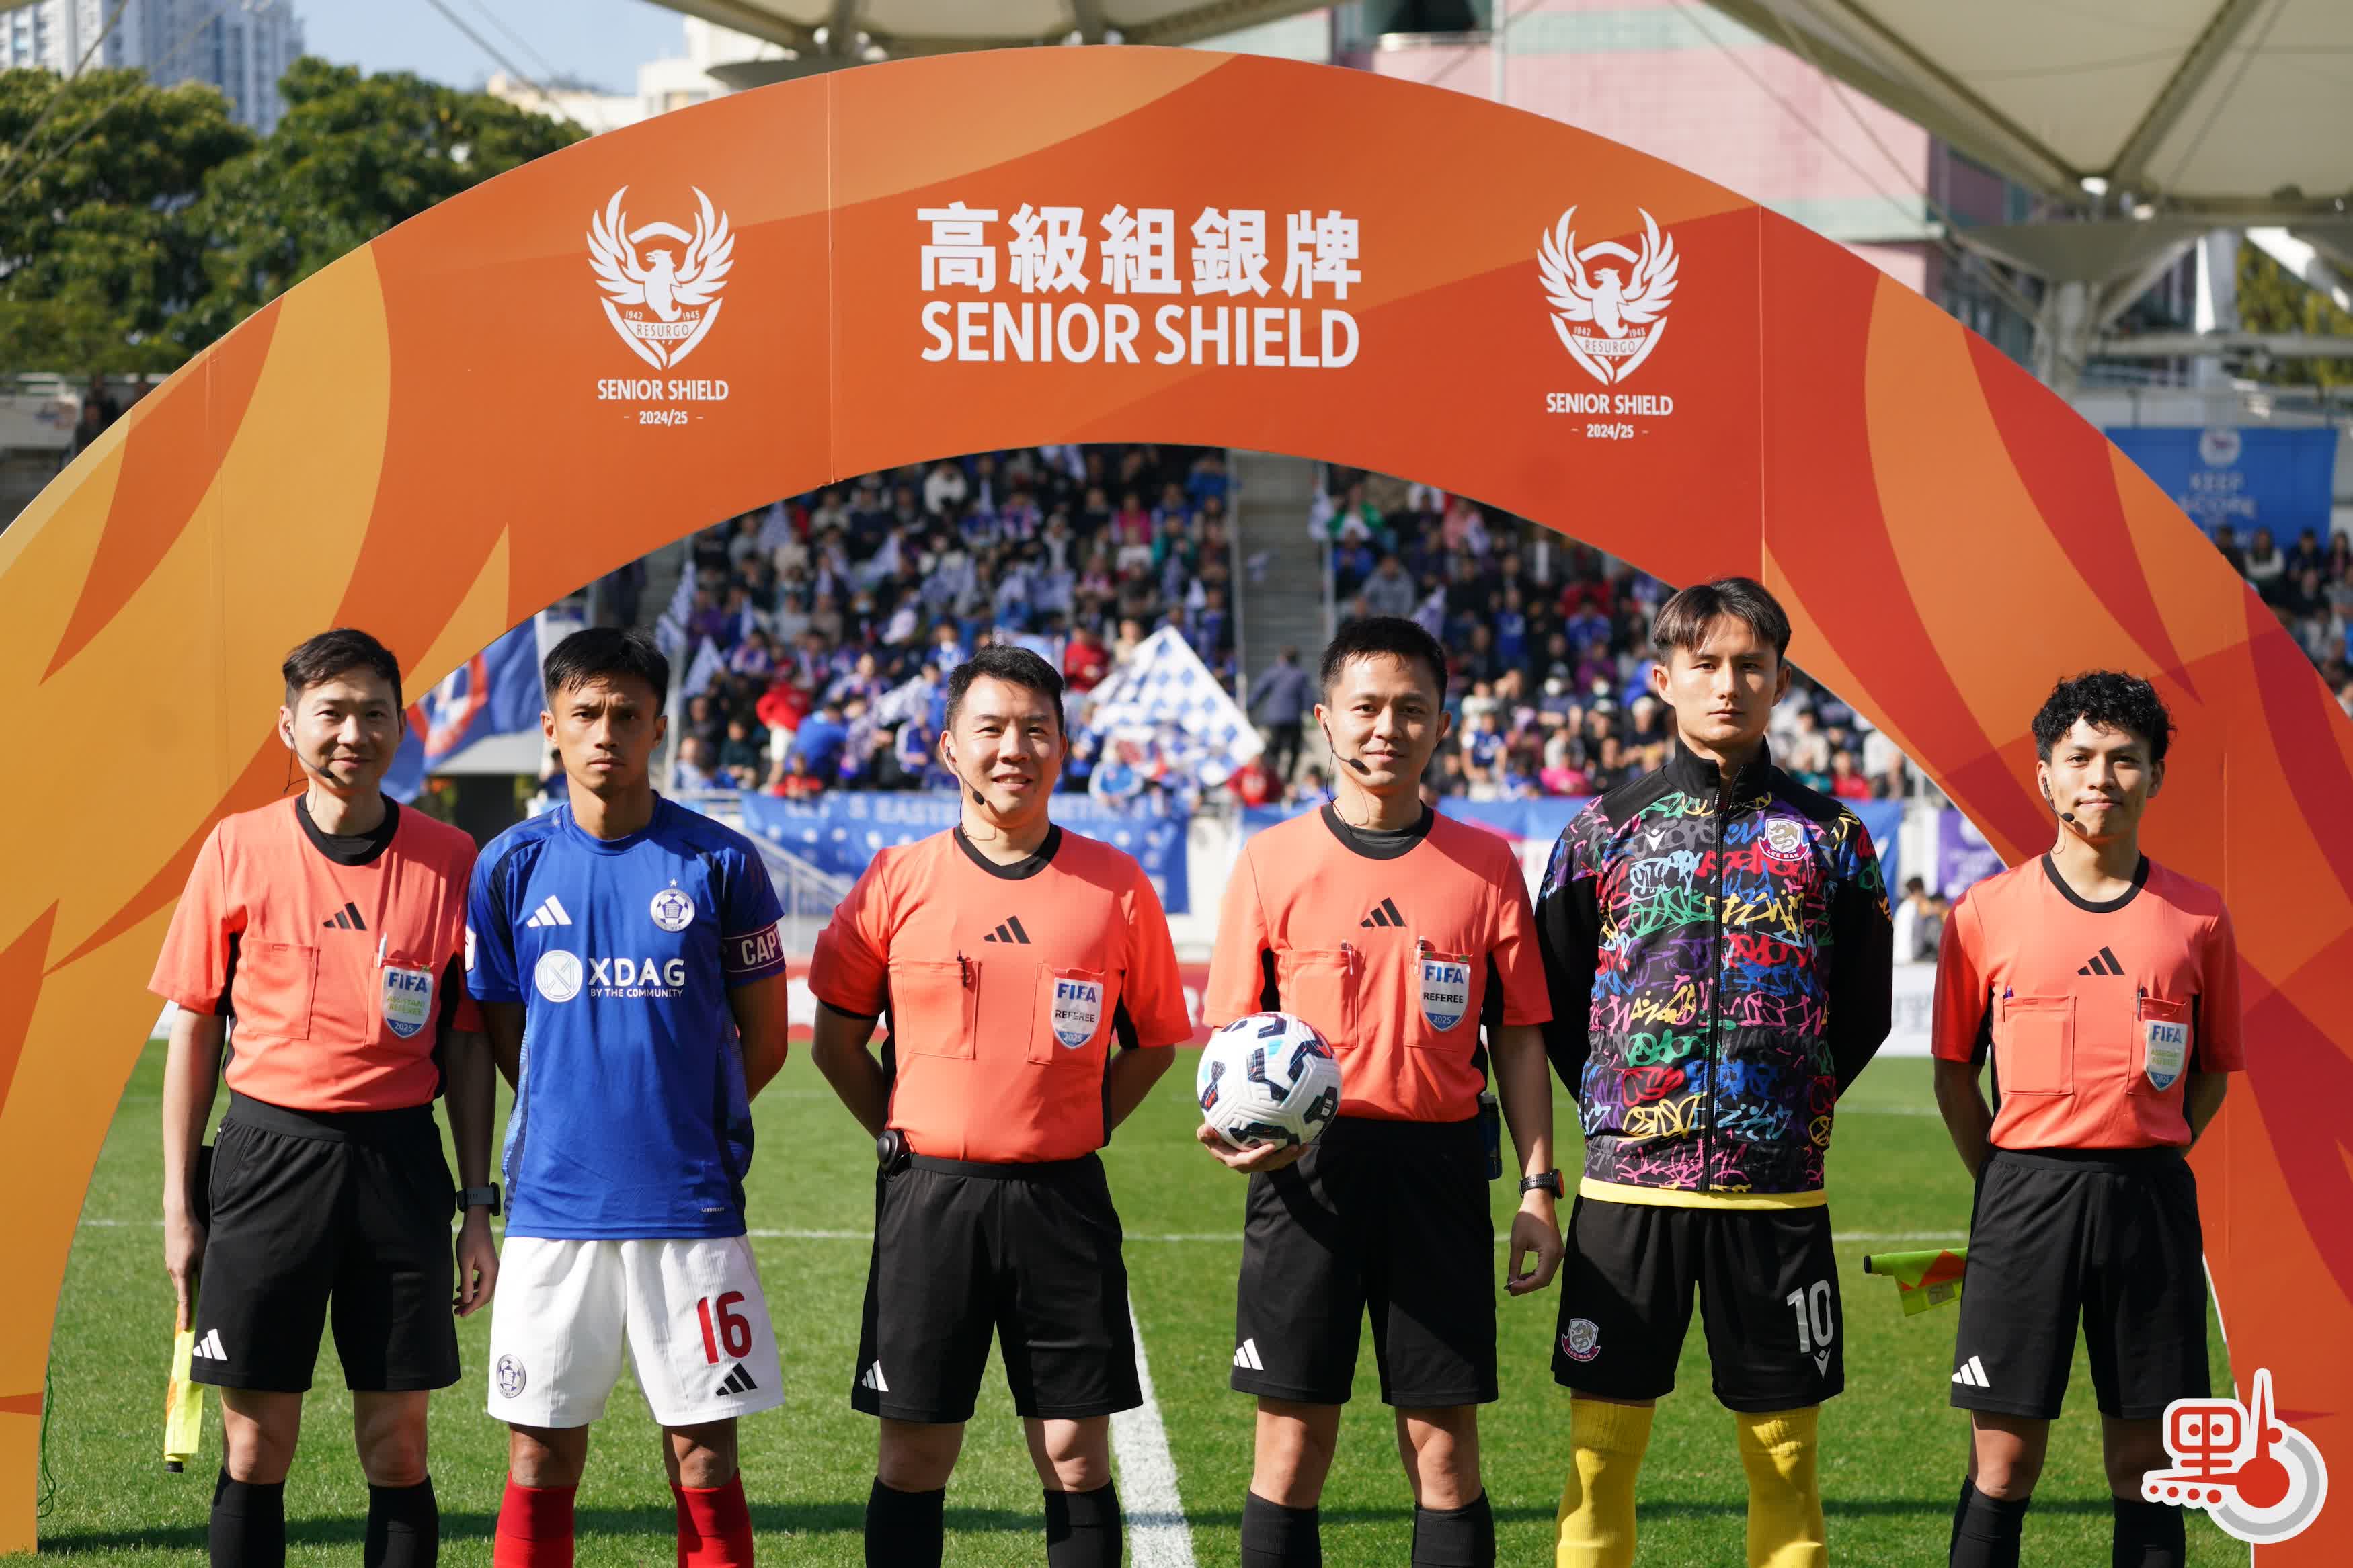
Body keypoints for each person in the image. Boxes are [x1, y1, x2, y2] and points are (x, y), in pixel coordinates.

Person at [805, 645, 1193, 1568]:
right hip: (929, 1199)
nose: (1013, 748)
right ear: (949, 747)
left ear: (1063, 746)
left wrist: (1080, 1121)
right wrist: (906, 1133)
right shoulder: (897, 878)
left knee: (1074, 1455)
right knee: (913, 1455)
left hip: (1063, 1200)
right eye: (990, 728)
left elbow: (1154, 1042)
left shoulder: (1116, 886)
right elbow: (834, 1043)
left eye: (1035, 729)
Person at [1536, 577, 1892, 1568]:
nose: (1727, 684)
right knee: (1599, 1460)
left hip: (1775, 1196)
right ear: (1663, 680)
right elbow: (1554, 1005)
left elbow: (1862, 1012)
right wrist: (1628, 1103)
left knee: (1786, 1464)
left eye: (1750, 665)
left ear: (1780, 680)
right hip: (1627, 1194)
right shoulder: (1600, 832)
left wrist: (1778, 1103)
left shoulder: (1834, 837)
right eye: (1705, 665)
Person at [1202, 615, 1562, 1568]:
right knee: (1291, 1450)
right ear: (1326, 719)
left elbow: (1518, 1036)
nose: (1386, 728)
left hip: (1438, 1173)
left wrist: (1537, 1187)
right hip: (1303, 1176)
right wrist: (1229, 1129)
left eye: (1411, 709)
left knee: (1443, 1452)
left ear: (1442, 725)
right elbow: (1230, 1039)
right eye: (1365, 707)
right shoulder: (1270, 860)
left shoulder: (1488, 865)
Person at [151, 628, 495, 1568]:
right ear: (289, 726)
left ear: (401, 726)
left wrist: (475, 1206)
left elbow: (468, 1044)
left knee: (399, 1446)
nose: (353, 733)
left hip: (400, 1164)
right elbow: (196, 1027)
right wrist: (181, 1206)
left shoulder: (451, 857)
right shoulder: (238, 846)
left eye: (373, 713)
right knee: (255, 1446)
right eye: (331, 712)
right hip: (266, 1161)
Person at [466, 628, 793, 1568]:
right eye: (585, 714)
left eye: (625, 714)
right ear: (551, 728)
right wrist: (572, 1110)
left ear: (658, 727)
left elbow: (766, 1040)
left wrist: (682, 1115)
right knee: (538, 1454)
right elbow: (504, 1031)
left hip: (689, 1209)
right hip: (552, 1209)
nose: (605, 732)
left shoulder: (721, 862)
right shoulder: (510, 864)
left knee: (703, 1454)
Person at [1932, 671, 2243, 1568]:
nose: (2099, 777)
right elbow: (1954, 1074)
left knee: (2147, 1465)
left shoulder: (2198, 917)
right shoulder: (1983, 913)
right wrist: (2005, 1177)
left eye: (2123, 759)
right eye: (2078, 758)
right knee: (2003, 1464)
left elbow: (2210, 1074)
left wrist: (2142, 1148)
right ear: (2045, 775)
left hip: (2149, 1202)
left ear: (2156, 775)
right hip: (2022, 1197)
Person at [1249, 645, 1312, 784]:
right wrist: (1312, 713)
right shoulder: (1300, 675)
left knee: (1273, 751)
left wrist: (1249, 707)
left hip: (1274, 719)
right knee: (1294, 750)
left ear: (1281, 658)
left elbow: (1259, 690)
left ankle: (1271, 780)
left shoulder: (1273, 672)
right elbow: (1308, 698)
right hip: (1293, 719)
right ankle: (1288, 780)